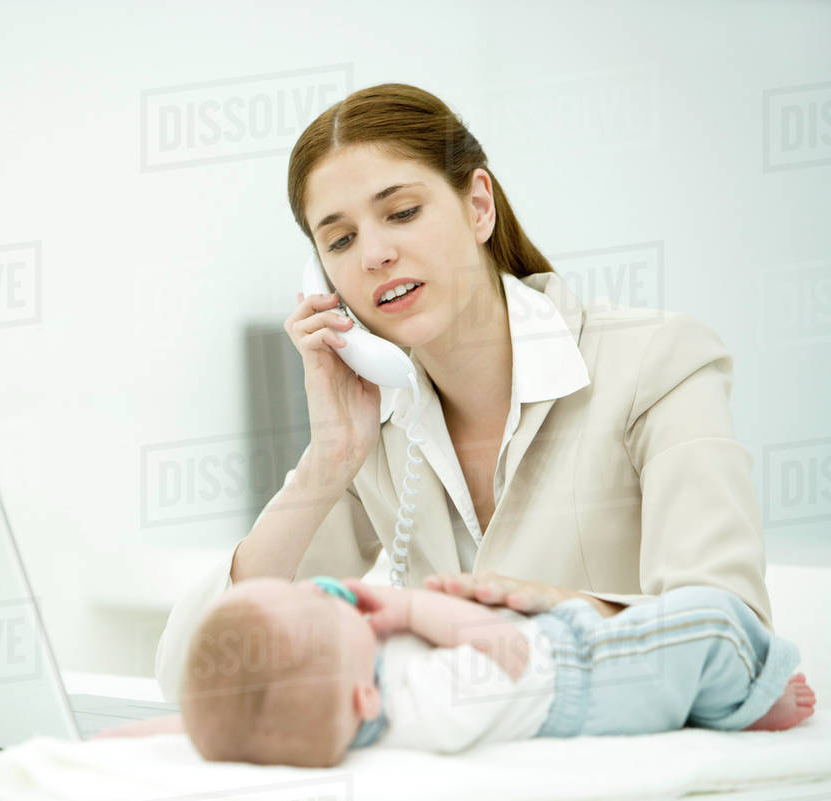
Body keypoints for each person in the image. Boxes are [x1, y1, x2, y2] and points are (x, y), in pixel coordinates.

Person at [155, 83, 775, 703]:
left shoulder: (657, 363)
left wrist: (546, 612)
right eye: (340, 240)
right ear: (323, 278)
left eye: (401, 213)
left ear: (479, 205)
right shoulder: (376, 429)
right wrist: (328, 461)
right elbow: (197, 673)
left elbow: (733, 645)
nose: (375, 253)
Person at [120, 576, 815, 768]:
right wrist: (415, 606)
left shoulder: (333, 703)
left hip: (564, 644)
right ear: (367, 697)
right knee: (705, 617)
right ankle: (755, 699)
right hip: (589, 676)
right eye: (325, 607)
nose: (334, 597)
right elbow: (505, 653)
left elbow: (225, 718)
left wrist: (166, 728)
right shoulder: (427, 705)